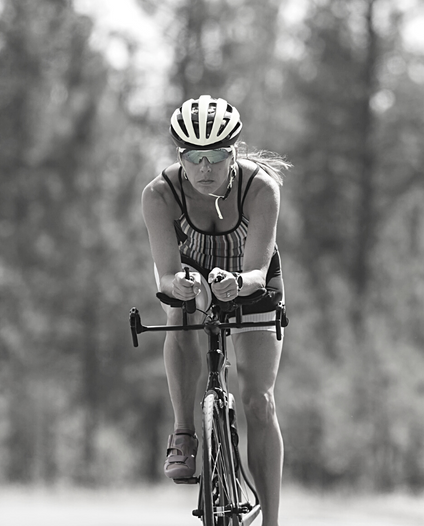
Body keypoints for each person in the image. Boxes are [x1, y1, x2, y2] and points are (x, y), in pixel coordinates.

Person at [141, 95, 291, 526]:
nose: (204, 171)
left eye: (215, 159)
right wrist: (182, 284)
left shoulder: (261, 187)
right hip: (190, 275)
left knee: (258, 400)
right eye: (194, 160)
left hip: (249, 278)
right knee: (178, 313)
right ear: (180, 156)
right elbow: (166, 274)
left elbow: (260, 270)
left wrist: (238, 283)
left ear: (234, 153)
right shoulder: (159, 195)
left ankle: (271, 522)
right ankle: (184, 433)